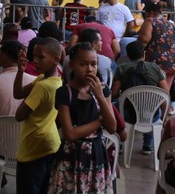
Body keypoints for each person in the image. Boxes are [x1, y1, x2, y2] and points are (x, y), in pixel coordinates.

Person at [48, 43, 116, 193]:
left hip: (96, 155)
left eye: (93, 64)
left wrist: (100, 97)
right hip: (71, 156)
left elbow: (112, 127)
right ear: (72, 64)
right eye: (83, 64)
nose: (89, 69)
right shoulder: (64, 93)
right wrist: (99, 122)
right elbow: (70, 134)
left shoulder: (103, 90)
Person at [14, 37, 63, 194]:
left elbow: (19, 115)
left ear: (56, 59)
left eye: (41, 57)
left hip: (35, 146)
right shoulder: (53, 79)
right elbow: (18, 93)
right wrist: (20, 71)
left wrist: (30, 99)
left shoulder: (42, 87)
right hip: (50, 142)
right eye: (33, 56)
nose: (35, 61)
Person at [111, 41, 168, 154]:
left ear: (128, 56)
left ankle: (121, 142)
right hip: (151, 115)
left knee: (114, 107)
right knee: (152, 108)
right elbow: (165, 93)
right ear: (144, 53)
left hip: (127, 114)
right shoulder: (154, 68)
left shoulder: (121, 68)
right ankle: (148, 144)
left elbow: (114, 93)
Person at [139, 0, 175, 89]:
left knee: (153, 93)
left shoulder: (150, 21)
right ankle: (165, 101)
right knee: (164, 92)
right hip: (172, 63)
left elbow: (143, 41)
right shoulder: (171, 24)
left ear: (150, 12)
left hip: (155, 63)